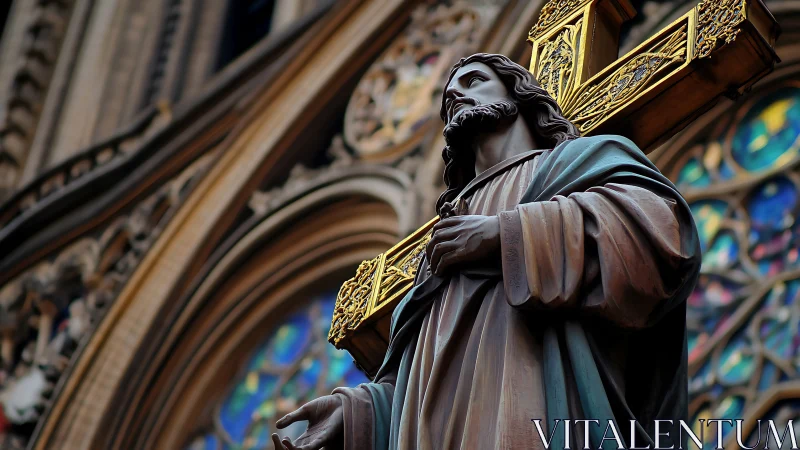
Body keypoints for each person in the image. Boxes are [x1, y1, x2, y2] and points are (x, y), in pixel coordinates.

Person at [272, 53, 701, 450]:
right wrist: (360, 413)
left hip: (534, 404)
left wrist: (504, 233)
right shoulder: (443, 235)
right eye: (447, 98)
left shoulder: (579, 161)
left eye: (474, 81)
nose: (456, 95)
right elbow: (422, 376)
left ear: (519, 94)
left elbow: (663, 237)